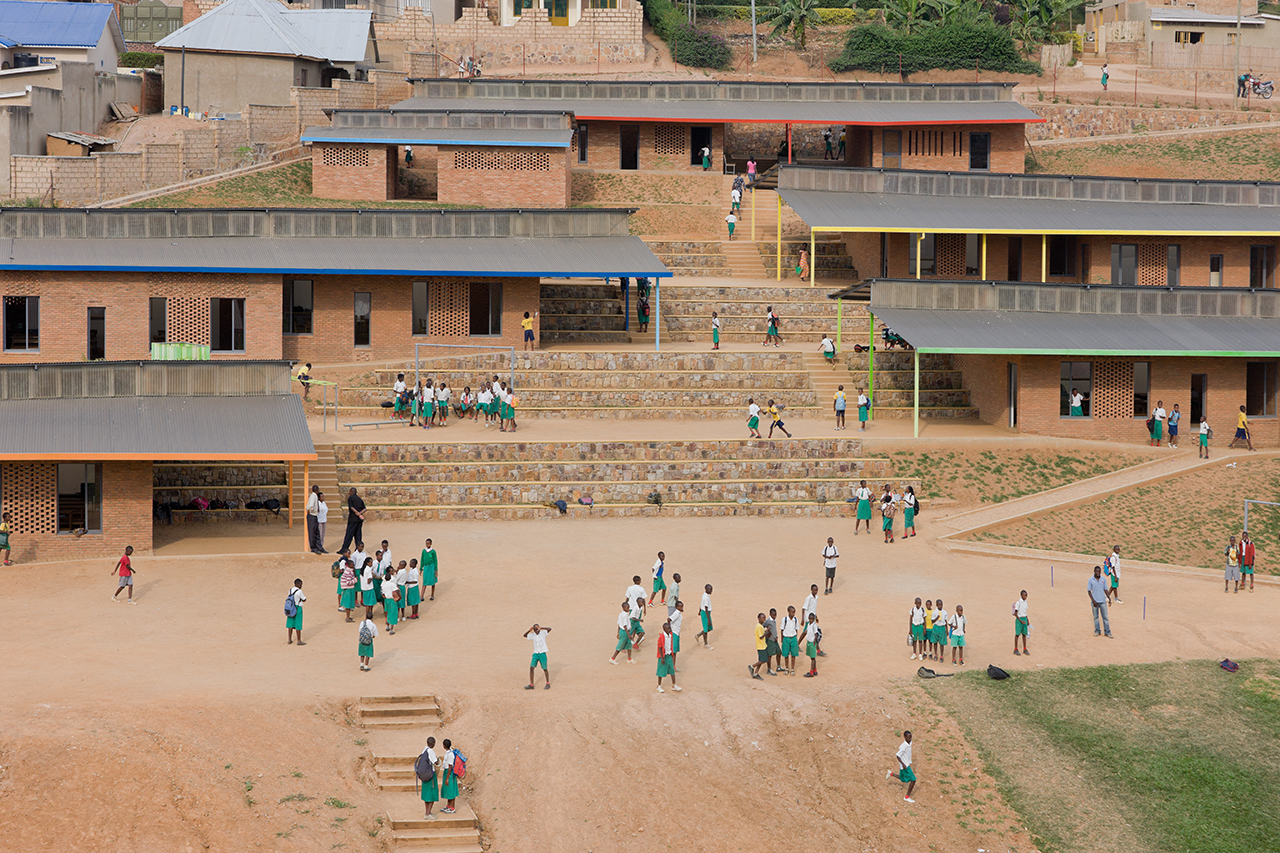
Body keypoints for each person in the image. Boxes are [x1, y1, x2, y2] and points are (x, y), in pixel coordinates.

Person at [888, 731, 917, 803]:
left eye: (911, 737)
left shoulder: (909, 743)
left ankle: (891, 774)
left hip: (905, 765)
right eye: (908, 737)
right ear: (905, 737)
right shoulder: (904, 746)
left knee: (903, 779)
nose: (910, 738)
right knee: (913, 780)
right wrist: (903, 764)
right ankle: (907, 797)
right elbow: (898, 755)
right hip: (905, 766)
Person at [1088, 566, 1113, 638]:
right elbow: (1089, 591)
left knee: (1105, 617)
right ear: (1094, 571)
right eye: (1096, 571)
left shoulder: (1103, 579)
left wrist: (1109, 598)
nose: (1098, 573)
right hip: (1095, 602)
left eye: (1099, 571)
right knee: (1096, 617)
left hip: (1102, 601)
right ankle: (1097, 630)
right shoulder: (1091, 580)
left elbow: (1105, 589)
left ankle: (1107, 632)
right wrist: (1093, 601)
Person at [419, 736, 440, 819]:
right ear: (433, 744)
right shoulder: (431, 751)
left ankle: (427, 812)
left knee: (426, 794)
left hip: (424, 776)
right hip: (431, 775)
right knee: (432, 794)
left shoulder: (424, 750)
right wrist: (438, 760)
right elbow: (435, 762)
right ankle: (428, 814)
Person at [525, 623, 551, 689]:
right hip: (536, 653)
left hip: (542, 653)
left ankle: (548, 683)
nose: (536, 630)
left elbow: (549, 629)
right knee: (531, 668)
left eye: (537, 629)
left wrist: (541, 627)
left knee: (545, 669)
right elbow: (525, 635)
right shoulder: (533, 635)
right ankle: (531, 684)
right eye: (535, 629)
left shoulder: (543, 633)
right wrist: (529, 630)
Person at [657, 621, 680, 693]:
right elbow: (660, 647)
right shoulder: (661, 637)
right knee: (661, 671)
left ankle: (674, 685)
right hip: (663, 656)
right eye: (667, 629)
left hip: (669, 655)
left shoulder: (671, 636)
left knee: (672, 670)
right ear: (664, 629)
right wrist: (662, 657)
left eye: (669, 628)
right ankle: (659, 685)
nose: (669, 630)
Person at [340, 488, 366, 552]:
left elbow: (351, 507)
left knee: (349, 535)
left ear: (351, 492)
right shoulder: (359, 499)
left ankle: (344, 549)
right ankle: (358, 549)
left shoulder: (350, 498)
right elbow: (365, 509)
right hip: (359, 520)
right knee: (358, 535)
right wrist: (360, 513)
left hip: (353, 519)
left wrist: (356, 513)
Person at [803, 583, 824, 657]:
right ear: (811, 590)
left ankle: (818, 650)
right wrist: (803, 619)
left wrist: (816, 617)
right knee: (810, 633)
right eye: (815, 590)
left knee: (811, 633)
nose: (816, 591)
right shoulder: (808, 598)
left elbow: (813, 610)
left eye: (817, 590)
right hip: (809, 619)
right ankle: (818, 650)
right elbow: (804, 608)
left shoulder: (815, 598)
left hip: (812, 618)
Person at [440, 738, 460, 813]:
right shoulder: (448, 753)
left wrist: (447, 778)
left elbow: (450, 766)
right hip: (447, 772)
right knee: (448, 790)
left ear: (444, 746)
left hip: (450, 773)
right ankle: (448, 806)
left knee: (451, 790)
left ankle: (452, 807)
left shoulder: (450, 754)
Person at [780, 605, 800, 676]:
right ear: (788, 612)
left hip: (793, 638)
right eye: (792, 612)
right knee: (786, 654)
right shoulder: (784, 620)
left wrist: (795, 637)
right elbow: (782, 629)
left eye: (794, 612)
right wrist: (782, 638)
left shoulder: (796, 620)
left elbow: (797, 629)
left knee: (793, 654)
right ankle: (787, 668)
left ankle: (792, 668)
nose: (793, 614)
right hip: (786, 638)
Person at [287, 578, 306, 645]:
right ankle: (298, 640)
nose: (301, 586)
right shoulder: (299, 591)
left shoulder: (290, 590)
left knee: (290, 624)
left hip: (290, 608)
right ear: (298, 584)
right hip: (298, 607)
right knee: (298, 624)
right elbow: (304, 599)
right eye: (300, 584)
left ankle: (289, 639)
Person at [749, 612, 768, 680]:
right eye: (763, 618)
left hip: (762, 645)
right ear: (759, 618)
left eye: (764, 618)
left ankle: (756, 673)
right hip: (761, 646)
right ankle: (752, 666)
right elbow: (761, 637)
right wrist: (766, 632)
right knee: (764, 659)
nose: (764, 619)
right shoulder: (759, 626)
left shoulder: (759, 626)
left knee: (761, 660)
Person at [382, 565, 401, 634]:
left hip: (386, 600)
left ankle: (387, 625)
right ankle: (391, 629)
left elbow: (382, 592)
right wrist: (399, 596)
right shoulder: (392, 584)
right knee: (392, 613)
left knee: (387, 612)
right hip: (392, 600)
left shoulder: (383, 585)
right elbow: (396, 590)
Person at [695, 583, 714, 649]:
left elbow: (701, 604)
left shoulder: (704, 595)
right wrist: (708, 619)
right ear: (706, 589)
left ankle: (698, 635)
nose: (711, 591)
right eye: (710, 589)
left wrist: (699, 610)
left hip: (705, 613)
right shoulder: (706, 598)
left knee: (709, 628)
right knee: (706, 629)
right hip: (706, 613)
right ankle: (706, 644)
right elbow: (705, 607)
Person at [339, 556, 357, 622]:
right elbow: (348, 582)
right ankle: (347, 617)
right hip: (348, 590)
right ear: (349, 565)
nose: (353, 565)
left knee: (348, 604)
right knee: (348, 604)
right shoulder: (349, 572)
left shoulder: (348, 571)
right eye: (352, 565)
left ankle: (348, 617)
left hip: (348, 589)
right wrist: (355, 580)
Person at [765, 607, 781, 675]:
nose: (775, 616)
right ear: (770, 614)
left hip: (775, 639)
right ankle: (769, 669)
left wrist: (776, 636)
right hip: (770, 640)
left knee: (779, 652)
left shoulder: (774, 620)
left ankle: (778, 666)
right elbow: (763, 627)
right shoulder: (768, 621)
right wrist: (767, 634)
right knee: (769, 655)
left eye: (775, 615)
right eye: (773, 615)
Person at [1013, 589, 1029, 655]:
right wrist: (1020, 621)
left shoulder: (1025, 602)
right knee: (1017, 634)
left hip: (1024, 619)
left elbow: (1025, 612)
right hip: (1019, 620)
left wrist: (1027, 620)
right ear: (1021, 595)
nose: (1026, 597)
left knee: (1024, 634)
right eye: (1024, 595)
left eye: (1026, 596)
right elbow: (1015, 613)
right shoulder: (1018, 603)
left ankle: (1025, 648)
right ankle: (1015, 649)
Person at [670, 599, 684, 669]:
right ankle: (672, 666)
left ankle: (673, 665)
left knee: (675, 651)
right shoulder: (676, 613)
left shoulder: (678, 613)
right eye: (680, 607)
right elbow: (669, 619)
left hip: (677, 633)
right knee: (673, 651)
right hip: (674, 633)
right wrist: (670, 629)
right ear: (677, 607)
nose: (682, 608)